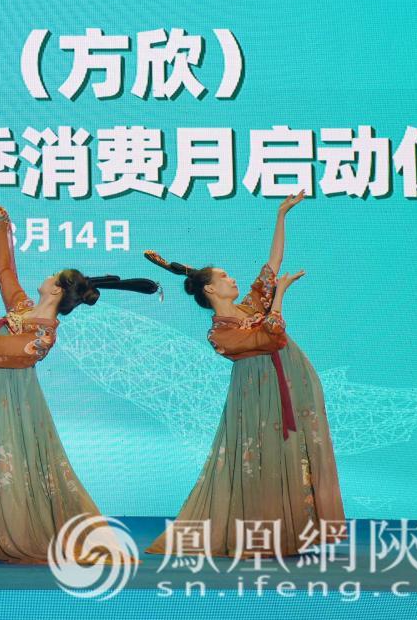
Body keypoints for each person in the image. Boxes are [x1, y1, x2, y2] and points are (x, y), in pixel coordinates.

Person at [0, 202, 157, 563]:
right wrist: (1, 226)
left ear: (57, 291)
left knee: (10, 463)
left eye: (53, 275)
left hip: (11, 402)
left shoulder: (43, 335)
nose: (45, 275)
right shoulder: (22, 308)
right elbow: (3, 272)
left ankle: (14, 530)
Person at [144, 192, 345, 557]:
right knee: (260, 456)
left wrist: (281, 215)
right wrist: (279, 296)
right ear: (210, 289)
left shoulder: (249, 306)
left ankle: (292, 532)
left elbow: (272, 264)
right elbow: (272, 336)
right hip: (256, 395)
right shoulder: (219, 332)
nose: (232, 279)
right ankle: (261, 534)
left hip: (291, 381)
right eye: (224, 277)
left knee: (291, 453)